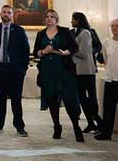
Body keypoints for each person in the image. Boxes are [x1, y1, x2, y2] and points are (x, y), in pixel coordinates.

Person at [33, 9, 84, 142]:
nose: (49, 18)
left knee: (69, 99)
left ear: (56, 19)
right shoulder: (41, 34)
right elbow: (35, 53)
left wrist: (66, 52)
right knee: (52, 99)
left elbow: (74, 47)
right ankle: (57, 126)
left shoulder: (64, 31)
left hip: (64, 69)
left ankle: (76, 127)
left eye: (52, 16)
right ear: (44, 20)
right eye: (47, 17)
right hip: (47, 71)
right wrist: (43, 51)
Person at [0, 5, 30, 136]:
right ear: (0, 14)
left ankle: (19, 126)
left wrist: (23, 69)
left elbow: (25, 51)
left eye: (9, 13)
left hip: (15, 70)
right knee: (0, 99)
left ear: (12, 15)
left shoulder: (19, 31)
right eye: (4, 12)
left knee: (16, 99)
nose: (6, 14)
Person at [70, 12, 103, 133]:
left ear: (79, 20)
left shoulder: (89, 31)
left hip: (87, 66)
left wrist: (90, 52)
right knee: (82, 97)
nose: (71, 21)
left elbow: (97, 46)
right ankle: (90, 122)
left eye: (73, 19)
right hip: (76, 67)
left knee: (92, 96)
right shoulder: (71, 32)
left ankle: (98, 122)